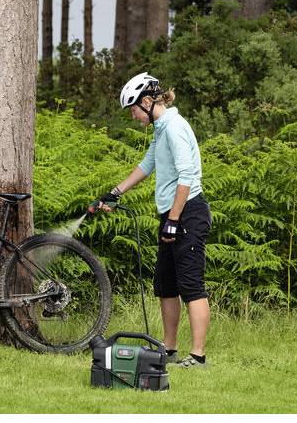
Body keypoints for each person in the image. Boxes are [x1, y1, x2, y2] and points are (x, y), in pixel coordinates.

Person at [96, 72, 212, 369]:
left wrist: (173, 220)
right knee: (165, 284)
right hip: (172, 215)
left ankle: (198, 356)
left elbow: (187, 176)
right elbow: (147, 164)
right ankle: (170, 349)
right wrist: (115, 193)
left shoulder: (173, 128)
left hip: (187, 213)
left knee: (191, 284)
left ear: (147, 102)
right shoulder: (161, 128)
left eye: (133, 109)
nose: (133, 116)